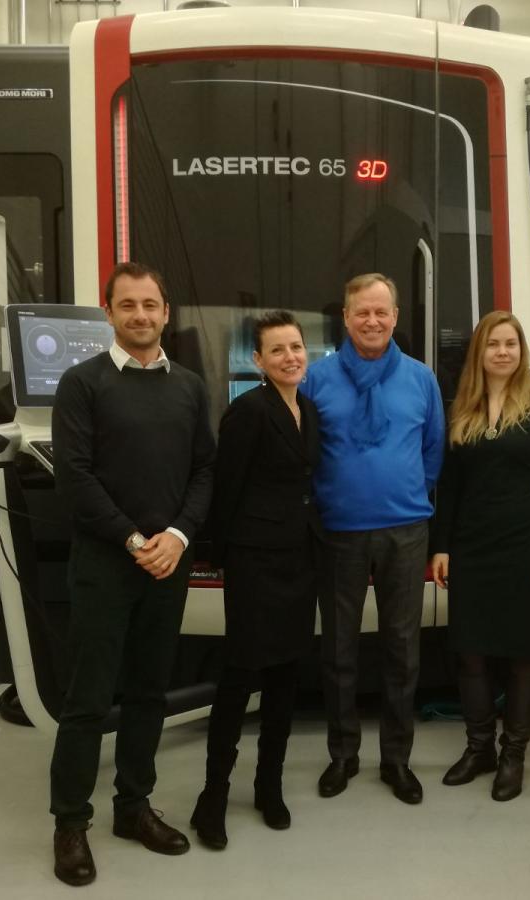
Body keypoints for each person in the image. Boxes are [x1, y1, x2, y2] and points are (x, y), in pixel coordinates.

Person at [49, 261, 215, 886]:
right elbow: (74, 476)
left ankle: (133, 807)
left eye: (150, 304)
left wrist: (178, 536)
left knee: (149, 691)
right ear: (108, 312)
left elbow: (204, 471)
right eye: (128, 305)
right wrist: (132, 538)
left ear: (166, 312)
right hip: (105, 564)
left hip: (167, 564)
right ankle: (70, 822)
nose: (140, 315)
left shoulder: (190, 387)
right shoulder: (82, 384)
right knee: (88, 699)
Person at [300, 273, 445, 805]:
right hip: (339, 531)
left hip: (405, 531)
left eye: (382, 312)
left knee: (402, 650)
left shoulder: (420, 379)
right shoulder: (316, 379)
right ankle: (343, 754)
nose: (372, 321)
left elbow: (433, 449)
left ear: (395, 317)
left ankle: (396, 759)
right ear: (345, 317)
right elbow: (305, 452)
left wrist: (406, 493)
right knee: (338, 648)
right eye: (362, 311)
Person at [189, 310, 321, 850]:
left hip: (299, 559)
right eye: (278, 350)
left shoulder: (308, 409)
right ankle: (213, 796)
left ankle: (270, 786)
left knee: (287, 676)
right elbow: (227, 489)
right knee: (239, 677)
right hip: (254, 562)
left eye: (297, 347)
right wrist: (218, 558)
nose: (291, 357)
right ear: (259, 360)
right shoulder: (247, 412)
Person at [431, 311, 530, 802]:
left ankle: (514, 755)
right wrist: (441, 545)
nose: (503, 352)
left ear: (521, 351)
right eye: (493, 344)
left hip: (525, 549)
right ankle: (479, 749)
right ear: (480, 352)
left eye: (511, 343)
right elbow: (449, 487)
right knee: (469, 652)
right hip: (471, 548)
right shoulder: (460, 411)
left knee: (521, 655)